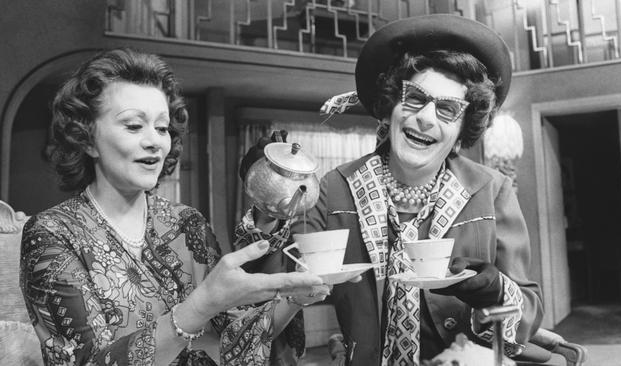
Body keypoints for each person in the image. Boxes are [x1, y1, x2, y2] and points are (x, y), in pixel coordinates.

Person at [237, 14, 544, 365]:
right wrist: (270, 197)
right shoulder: (335, 188)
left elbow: (527, 314)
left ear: (462, 129)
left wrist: (496, 292)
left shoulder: (493, 191)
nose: (426, 118)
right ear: (391, 108)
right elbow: (273, 290)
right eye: (415, 98)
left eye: (447, 109)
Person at [19, 47, 330, 366]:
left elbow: (234, 341)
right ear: (86, 138)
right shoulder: (52, 234)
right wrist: (199, 306)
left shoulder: (186, 223)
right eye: (133, 125)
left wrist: (294, 298)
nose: (155, 141)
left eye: (162, 127)